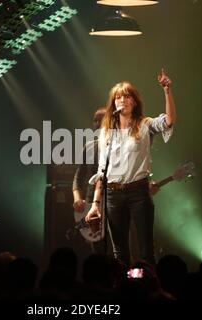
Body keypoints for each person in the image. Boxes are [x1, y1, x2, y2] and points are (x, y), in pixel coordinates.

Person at [85, 69, 177, 267]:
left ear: (134, 102)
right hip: (113, 194)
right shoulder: (106, 133)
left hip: (138, 192)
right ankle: (123, 290)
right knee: (119, 251)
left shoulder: (145, 125)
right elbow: (102, 171)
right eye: (117, 97)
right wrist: (95, 203)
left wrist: (167, 91)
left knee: (146, 249)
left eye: (126, 96)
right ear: (113, 103)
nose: (121, 100)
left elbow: (169, 121)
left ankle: (149, 290)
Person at [72, 108, 106, 252]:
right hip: (92, 202)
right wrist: (77, 199)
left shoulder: (120, 146)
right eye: (95, 120)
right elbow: (78, 178)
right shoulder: (89, 147)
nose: (97, 123)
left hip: (115, 201)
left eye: (101, 119)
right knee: (98, 250)